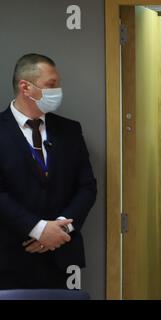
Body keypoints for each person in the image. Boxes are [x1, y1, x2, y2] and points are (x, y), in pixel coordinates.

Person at [0, 53, 97, 289]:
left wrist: (60, 228)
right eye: (51, 85)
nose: (58, 91)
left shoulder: (69, 130)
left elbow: (87, 187)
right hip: (9, 258)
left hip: (62, 256)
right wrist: (38, 229)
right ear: (26, 87)